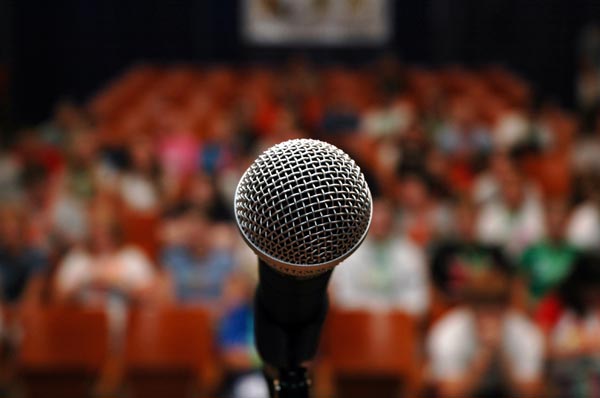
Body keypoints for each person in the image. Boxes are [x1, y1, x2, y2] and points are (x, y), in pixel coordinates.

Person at [427, 266, 544, 398]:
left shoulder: (526, 333)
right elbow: (450, 394)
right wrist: (483, 355)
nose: (487, 319)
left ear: (506, 309)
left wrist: (500, 354)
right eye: (480, 311)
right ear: (469, 308)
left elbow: (530, 394)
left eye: (494, 312)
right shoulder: (447, 333)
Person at [330, 198, 429, 316]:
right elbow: (343, 297)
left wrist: (389, 311)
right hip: (357, 324)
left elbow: (419, 299)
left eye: (384, 214)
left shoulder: (411, 253)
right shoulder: (348, 254)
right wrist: (373, 310)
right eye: (376, 214)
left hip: (399, 325)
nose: (380, 220)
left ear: (393, 218)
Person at [430, 199, 512, 305]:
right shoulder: (443, 253)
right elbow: (435, 290)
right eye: (461, 218)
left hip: (488, 308)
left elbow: (506, 285)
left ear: (478, 219)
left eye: (470, 217)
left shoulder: (494, 252)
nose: (465, 223)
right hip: (453, 307)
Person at [546, 252, 600, 398]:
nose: (592, 295)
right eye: (588, 289)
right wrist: (582, 347)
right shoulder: (556, 305)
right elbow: (545, 349)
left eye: (597, 290)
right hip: (564, 383)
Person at [160, 204, 236, 306]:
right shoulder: (172, 257)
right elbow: (166, 294)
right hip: (182, 314)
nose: (194, 232)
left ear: (208, 229)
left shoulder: (224, 259)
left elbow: (232, 297)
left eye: (198, 226)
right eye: (190, 226)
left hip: (217, 315)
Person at [517, 200, 578, 310]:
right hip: (535, 311)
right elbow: (519, 287)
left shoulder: (576, 256)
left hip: (567, 314)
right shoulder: (531, 253)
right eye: (552, 218)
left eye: (561, 219)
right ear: (545, 220)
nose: (556, 223)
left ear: (567, 221)